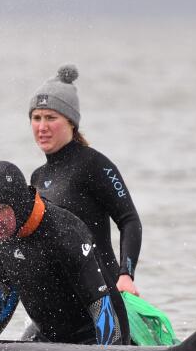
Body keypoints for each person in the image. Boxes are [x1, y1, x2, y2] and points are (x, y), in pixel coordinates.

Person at [0, 160, 128, 345]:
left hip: (93, 338)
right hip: (47, 339)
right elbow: (6, 290)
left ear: (19, 203)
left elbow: (100, 304)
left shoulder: (65, 232)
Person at [27, 64, 143, 296]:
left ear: (71, 122)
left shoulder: (94, 164)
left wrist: (126, 275)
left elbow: (129, 220)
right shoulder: (38, 177)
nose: (42, 127)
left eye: (51, 117)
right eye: (36, 118)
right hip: (65, 300)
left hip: (103, 292)